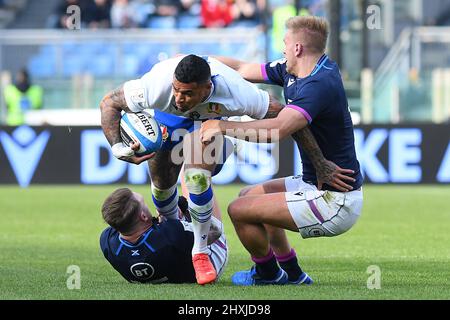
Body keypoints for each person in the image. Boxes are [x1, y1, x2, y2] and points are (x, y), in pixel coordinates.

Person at [100, 54, 353, 285]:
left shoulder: (236, 92)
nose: (179, 99)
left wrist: (320, 163)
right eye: (176, 90)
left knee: (195, 170)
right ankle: (175, 227)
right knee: (162, 185)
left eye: (187, 93)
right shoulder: (155, 86)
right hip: (168, 126)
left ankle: (199, 250)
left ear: (207, 88)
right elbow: (108, 103)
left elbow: (288, 120)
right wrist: (118, 148)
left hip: (212, 130)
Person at [201, 15, 364, 286]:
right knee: (248, 196)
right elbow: (241, 68)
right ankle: (293, 273)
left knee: (239, 210)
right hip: (314, 182)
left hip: (335, 200)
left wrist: (221, 124)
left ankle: (267, 274)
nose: (282, 49)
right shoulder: (295, 70)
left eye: (285, 43)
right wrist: (198, 61)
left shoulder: (319, 85)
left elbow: (277, 130)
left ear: (298, 48)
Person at [100, 184, 228, 284]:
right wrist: (186, 207)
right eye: (143, 203)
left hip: (168, 264)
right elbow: (214, 232)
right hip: (205, 268)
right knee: (192, 176)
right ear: (143, 216)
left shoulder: (107, 242)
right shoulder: (171, 233)